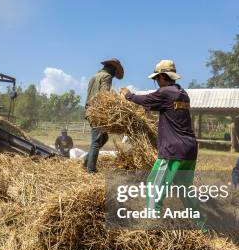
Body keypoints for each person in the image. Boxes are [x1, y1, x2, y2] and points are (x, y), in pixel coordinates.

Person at [120, 59, 205, 229]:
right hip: (190, 150)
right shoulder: (182, 93)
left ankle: (151, 224)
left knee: (154, 186)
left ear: (163, 76)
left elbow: (143, 100)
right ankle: (201, 225)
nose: (157, 82)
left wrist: (128, 94)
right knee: (185, 190)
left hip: (173, 150)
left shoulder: (166, 93)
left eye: (157, 79)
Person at [83, 58, 124, 172]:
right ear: (113, 69)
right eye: (115, 72)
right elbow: (104, 96)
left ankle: (87, 159)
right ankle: (90, 170)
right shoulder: (107, 76)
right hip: (97, 112)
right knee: (96, 141)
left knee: (104, 137)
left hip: (90, 110)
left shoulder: (95, 76)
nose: (115, 75)